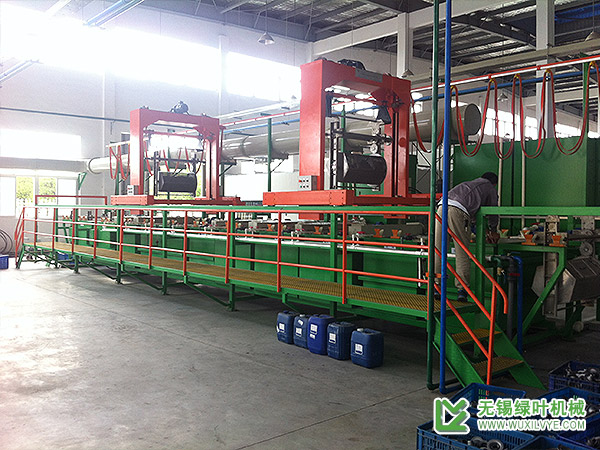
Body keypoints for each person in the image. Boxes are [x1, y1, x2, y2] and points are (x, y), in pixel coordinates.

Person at [435, 172, 500, 301]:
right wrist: (493, 230)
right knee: (461, 251)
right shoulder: (489, 187)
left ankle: (436, 287)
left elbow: (473, 211)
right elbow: (493, 211)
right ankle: (462, 289)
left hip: (441, 207)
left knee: (439, 250)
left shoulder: (469, 184)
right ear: (494, 183)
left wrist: (485, 230)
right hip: (457, 211)